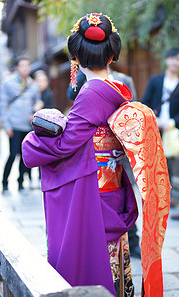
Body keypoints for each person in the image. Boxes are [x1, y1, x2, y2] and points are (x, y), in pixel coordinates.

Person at [22, 13, 170, 297]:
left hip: (94, 193)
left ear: (75, 57)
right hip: (110, 186)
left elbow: (65, 145)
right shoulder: (117, 88)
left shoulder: (91, 92)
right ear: (112, 55)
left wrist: (33, 142)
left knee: (93, 257)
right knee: (112, 253)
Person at [67, 63, 141, 259]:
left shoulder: (123, 80)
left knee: (122, 195)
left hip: (116, 149)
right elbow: (70, 96)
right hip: (94, 154)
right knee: (103, 202)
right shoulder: (85, 83)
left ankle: (132, 242)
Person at [142, 48, 179, 204]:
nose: (175, 62)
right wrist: (154, 119)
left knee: (169, 163)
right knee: (152, 161)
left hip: (172, 131)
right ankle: (151, 196)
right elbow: (145, 102)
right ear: (166, 60)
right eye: (172, 58)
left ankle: (166, 198)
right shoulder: (155, 80)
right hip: (154, 127)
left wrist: (173, 122)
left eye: (178, 59)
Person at [0, 56, 41, 194]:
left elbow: (37, 102)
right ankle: (4, 183)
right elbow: (2, 105)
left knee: (26, 156)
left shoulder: (33, 85)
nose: (26, 68)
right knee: (12, 154)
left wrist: (36, 108)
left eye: (28, 65)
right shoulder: (8, 83)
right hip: (14, 125)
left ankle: (21, 183)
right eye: (23, 65)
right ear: (17, 67)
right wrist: (7, 126)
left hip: (28, 126)